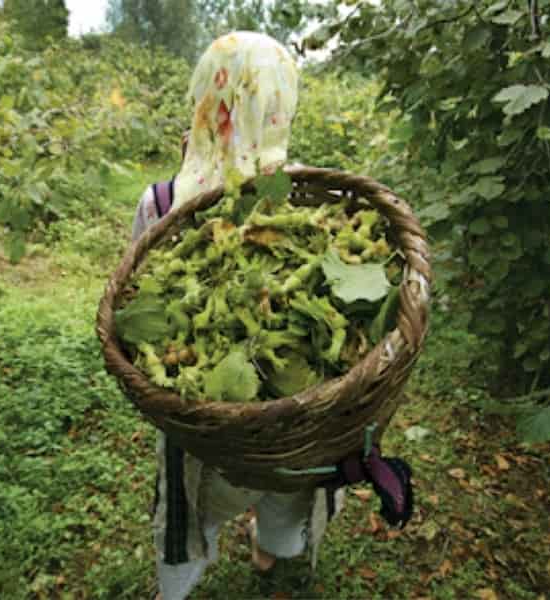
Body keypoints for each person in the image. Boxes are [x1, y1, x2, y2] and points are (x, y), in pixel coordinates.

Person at [129, 32, 347, 600]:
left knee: (190, 503)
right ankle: (270, 554)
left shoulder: (161, 199)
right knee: (286, 491)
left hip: (200, 418)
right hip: (291, 417)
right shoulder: (301, 190)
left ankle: (175, 587)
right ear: (282, 105)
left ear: (205, 96)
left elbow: (136, 300)